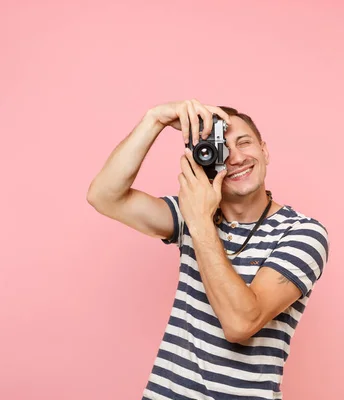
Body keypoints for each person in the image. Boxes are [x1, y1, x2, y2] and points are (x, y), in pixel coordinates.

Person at [86, 99, 330, 400]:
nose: (236, 158)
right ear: (206, 159)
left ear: (264, 150)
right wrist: (154, 120)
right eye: (222, 149)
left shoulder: (302, 233)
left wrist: (200, 222)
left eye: (244, 143)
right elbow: (104, 196)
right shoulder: (191, 212)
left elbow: (241, 323)